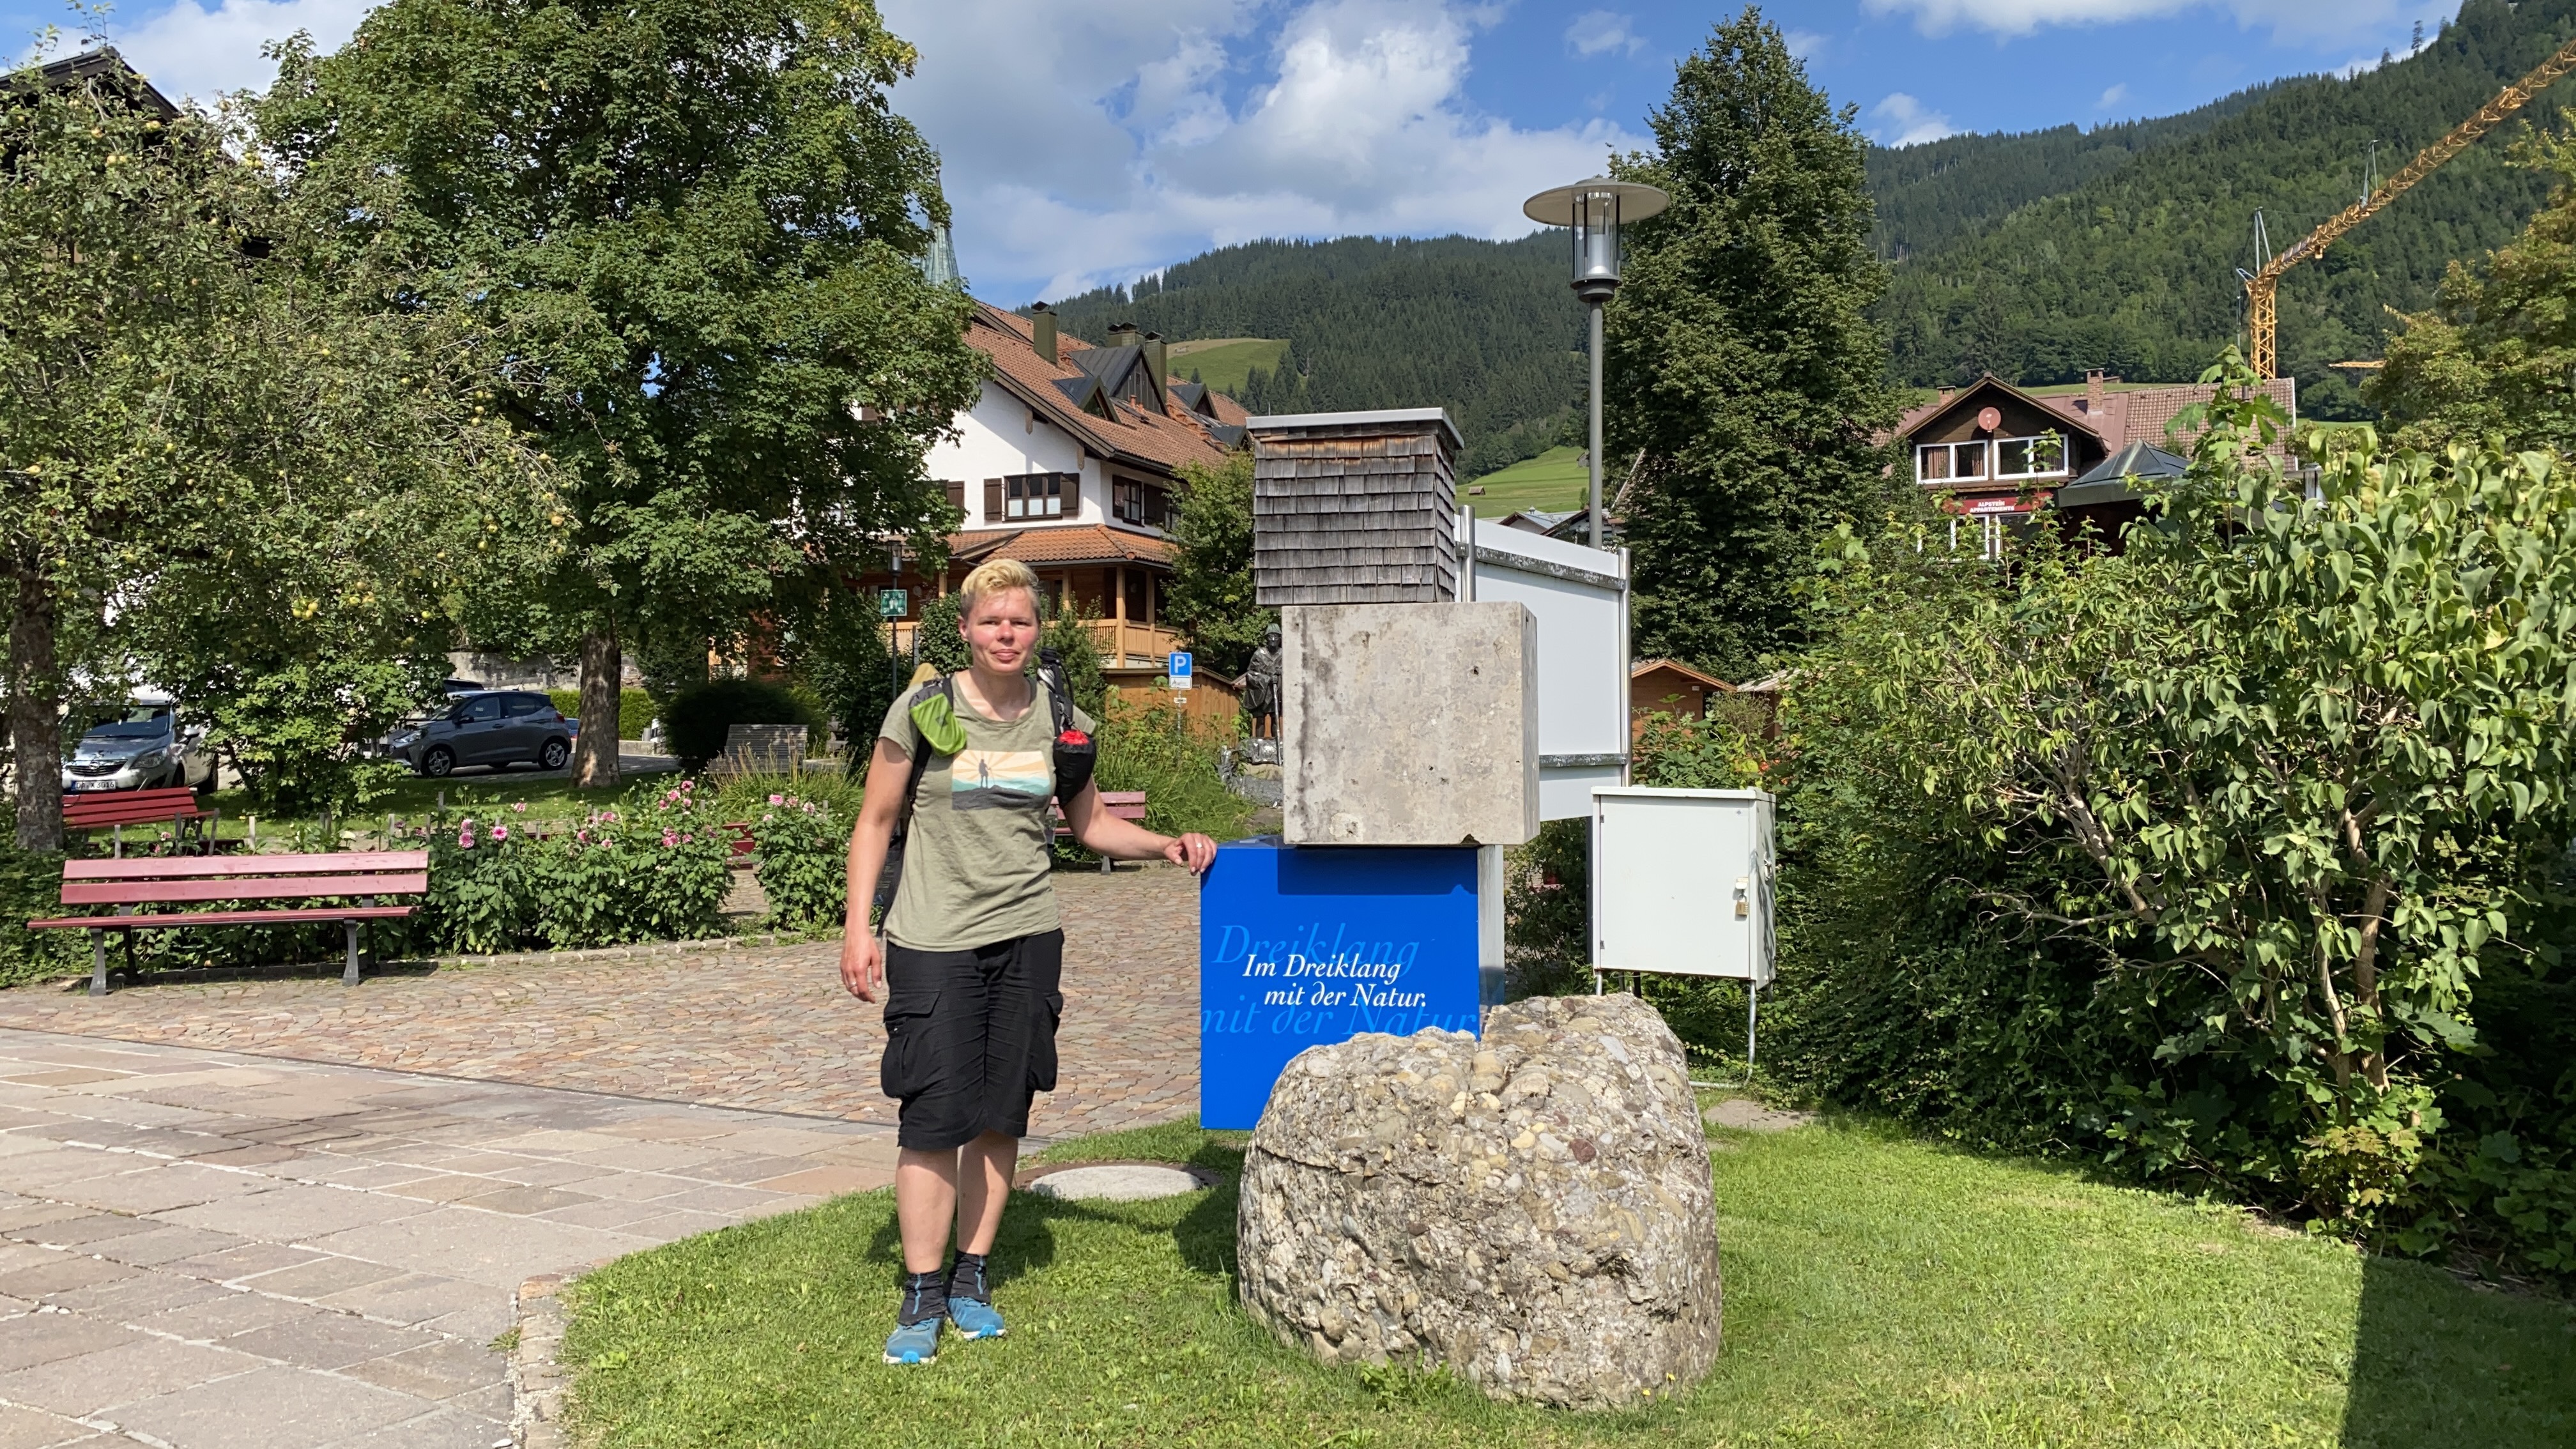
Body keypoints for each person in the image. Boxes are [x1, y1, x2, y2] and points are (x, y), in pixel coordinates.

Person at [840, 557, 1217, 1366]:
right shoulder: (923, 709)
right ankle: (922, 1293)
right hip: (933, 937)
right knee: (934, 1115)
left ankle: (971, 1279)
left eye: (1019, 621)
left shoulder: (1059, 713)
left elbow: (1090, 824)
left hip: (1027, 935)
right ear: (966, 630)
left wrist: (1166, 844)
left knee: (1001, 1112)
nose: (1005, 635)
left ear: (1038, 630)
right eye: (991, 622)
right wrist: (858, 928)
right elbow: (874, 821)